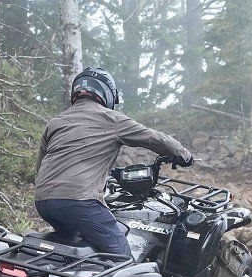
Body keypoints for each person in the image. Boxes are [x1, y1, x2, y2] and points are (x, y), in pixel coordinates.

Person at [34, 67, 193, 256]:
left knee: (76, 248)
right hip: (78, 201)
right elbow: (154, 139)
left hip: (43, 201)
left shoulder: (56, 122)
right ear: (107, 94)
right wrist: (184, 155)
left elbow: (39, 166)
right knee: (120, 254)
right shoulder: (112, 119)